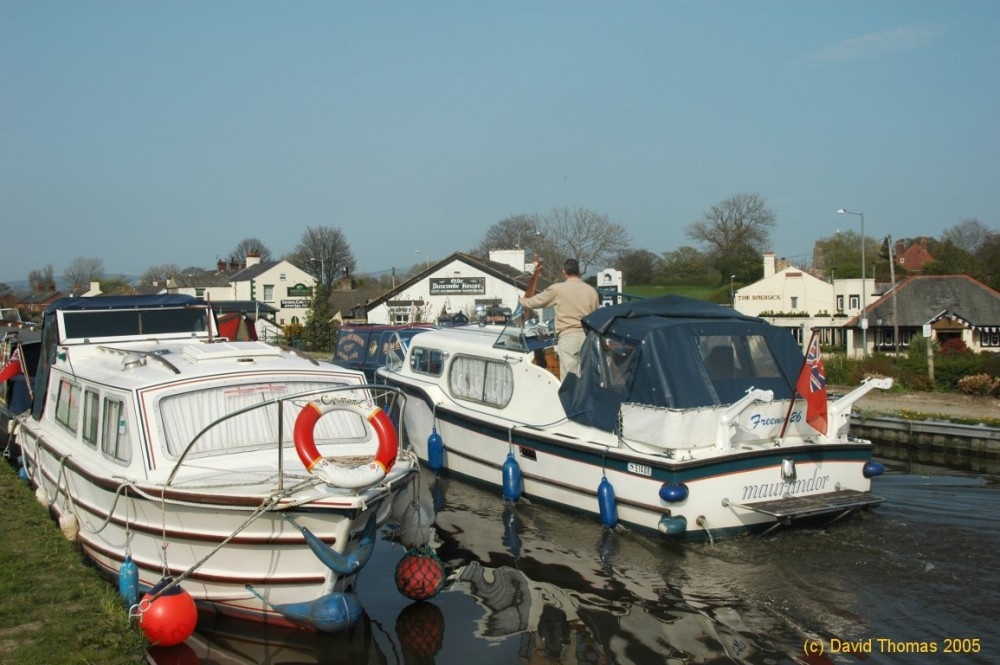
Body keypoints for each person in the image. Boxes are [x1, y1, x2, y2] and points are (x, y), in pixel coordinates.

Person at [519, 258, 599, 380]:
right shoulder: (592, 291)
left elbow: (538, 301)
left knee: (570, 380)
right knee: (587, 376)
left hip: (568, 337)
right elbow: (596, 315)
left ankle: (571, 399)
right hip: (588, 338)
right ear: (579, 272)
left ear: (564, 271)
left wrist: (524, 302)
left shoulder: (558, 289)